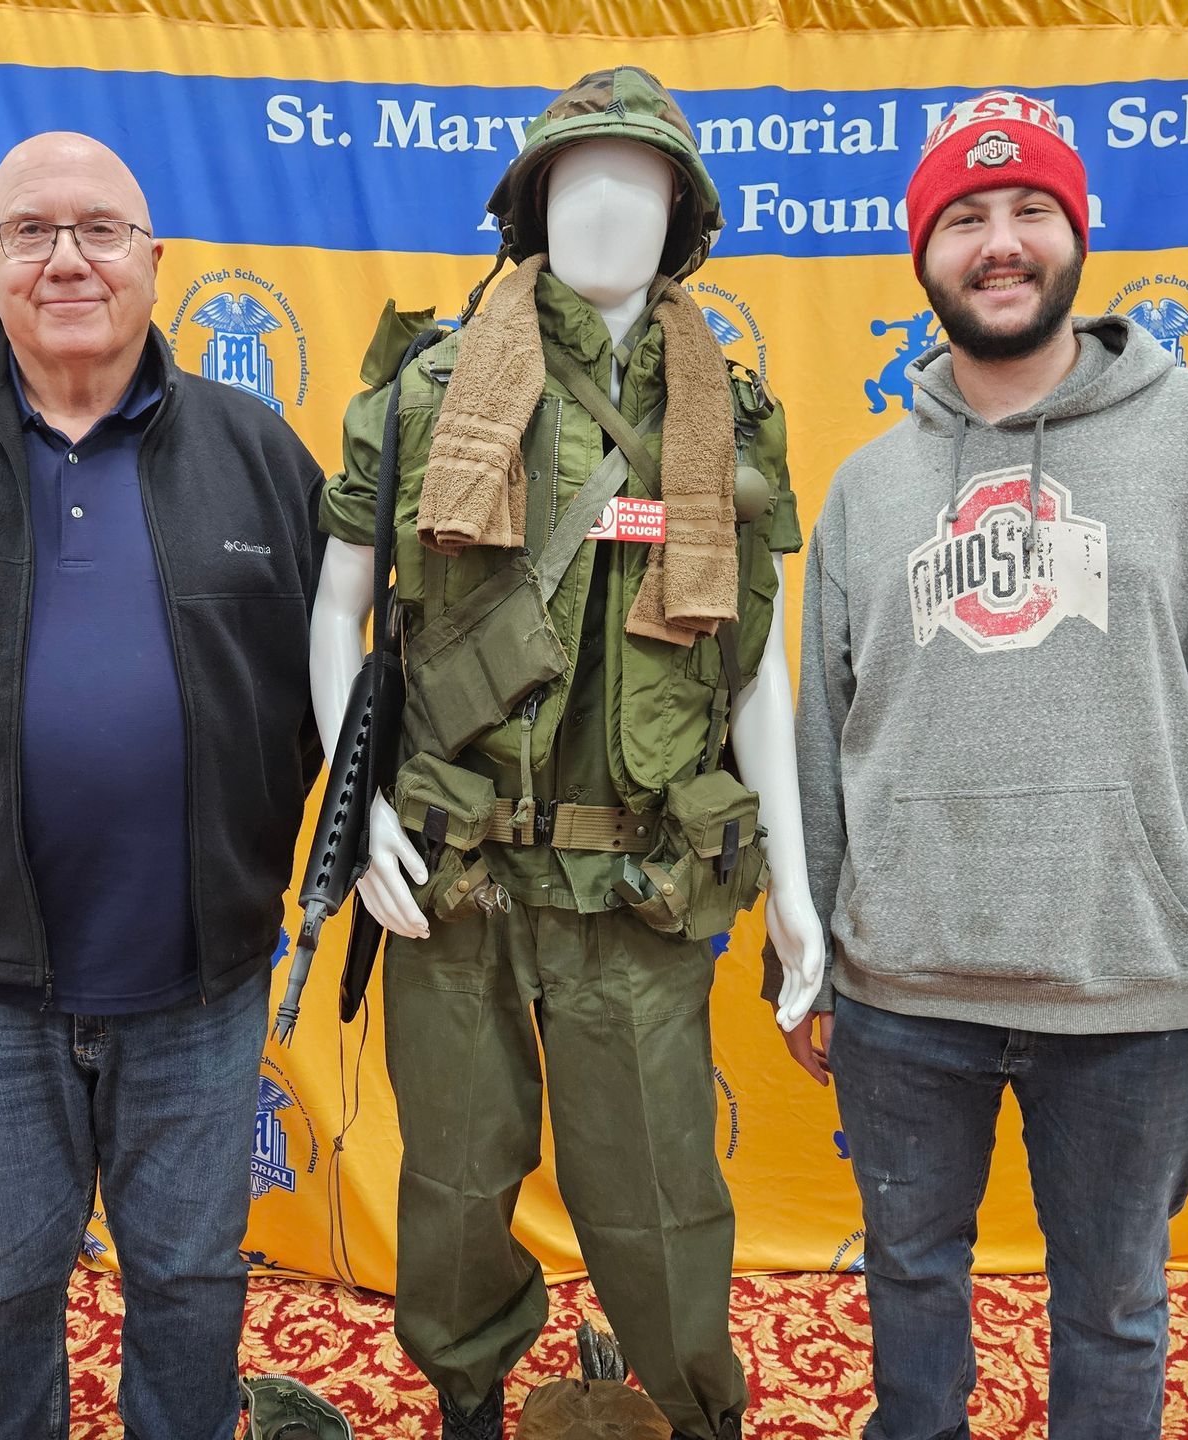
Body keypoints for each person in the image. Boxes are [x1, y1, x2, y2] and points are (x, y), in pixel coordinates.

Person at [783, 92, 1188, 1440]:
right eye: (965, 218)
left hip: (1130, 986)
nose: (999, 241)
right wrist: (801, 949)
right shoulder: (868, 485)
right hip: (900, 989)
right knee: (908, 1291)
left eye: (1028, 209)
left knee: (1112, 1312)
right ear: (922, 255)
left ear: (1077, 232)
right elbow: (824, 735)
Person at [309, 68, 827, 1440]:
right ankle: (469, 1402)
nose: (609, 212)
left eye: (642, 186)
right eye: (578, 183)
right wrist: (356, 821)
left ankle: (690, 1412)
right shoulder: (421, 394)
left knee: (659, 1201)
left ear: (685, 219)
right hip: (455, 875)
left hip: (640, 884)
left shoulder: (732, 415)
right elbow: (338, 613)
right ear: (530, 213)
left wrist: (798, 886)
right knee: (458, 1189)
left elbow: (758, 663)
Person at [0, 132, 325, 1440]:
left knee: (193, 1278)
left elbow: (310, 683)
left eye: (98, 229)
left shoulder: (257, 451)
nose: (66, 258)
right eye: (29, 233)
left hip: (201, 979)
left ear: (153, 260)